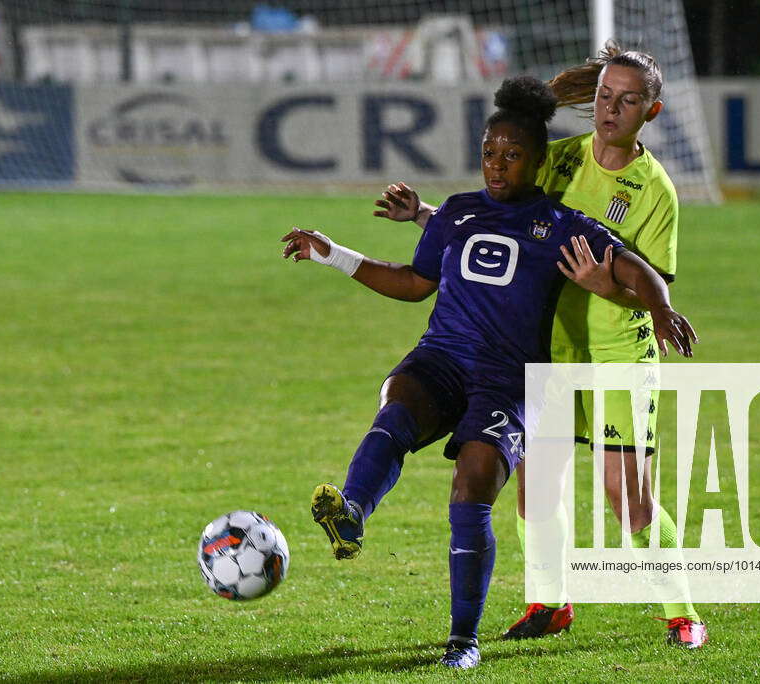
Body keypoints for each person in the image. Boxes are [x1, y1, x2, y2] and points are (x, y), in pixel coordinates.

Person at [281, 76, 696, 669]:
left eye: (512, 155)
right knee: (405, 416)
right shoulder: (458, 211)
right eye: (489, 154)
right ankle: (352, 511)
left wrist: (660, 309)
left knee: (500, 485)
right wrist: (334, 253)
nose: (498, 167)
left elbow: (637, 268)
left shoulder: (564, 221)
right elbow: (412, 282)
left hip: (530, 372)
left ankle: (472, 639)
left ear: (537, 162)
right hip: (446, 359)